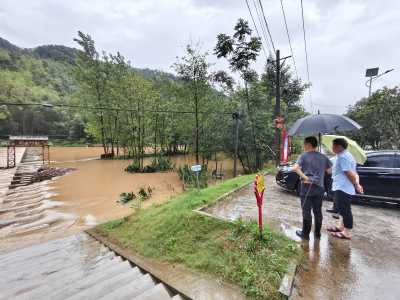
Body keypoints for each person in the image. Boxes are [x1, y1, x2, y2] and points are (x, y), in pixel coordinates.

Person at [293, 136, 332, 240]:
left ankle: (305, 234)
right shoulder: (324, 157)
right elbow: (329, 171)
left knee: (306, 210)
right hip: (320, 187)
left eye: (304, 143)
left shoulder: (303, 156)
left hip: (307, 186)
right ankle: (317, 233)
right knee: (317, 210)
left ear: (309, 144)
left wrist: (306, 177)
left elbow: (295, 168)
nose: (303, 146)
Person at [327, 138, 364, 239]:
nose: (332, 147)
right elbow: (354, 172)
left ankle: (347, 232)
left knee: (345, 209)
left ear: (340, 146)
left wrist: (356, 185)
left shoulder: (344, 156)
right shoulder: (341, 156)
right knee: (341, 208)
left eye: (333, 145)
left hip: (343, 186)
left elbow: (350, 173)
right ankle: (341, 226)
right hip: (340, 186)